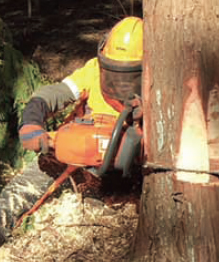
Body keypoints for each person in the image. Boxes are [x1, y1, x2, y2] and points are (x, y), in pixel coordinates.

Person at [19, 16, 143, 163]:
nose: (121, 82)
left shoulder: (161, 88)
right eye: (115, 70)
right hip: (80, 150)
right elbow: (57, 94)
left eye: (128, 74)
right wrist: (31, 121)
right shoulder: (94, 70)